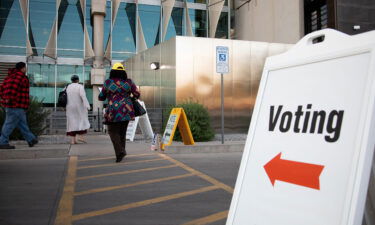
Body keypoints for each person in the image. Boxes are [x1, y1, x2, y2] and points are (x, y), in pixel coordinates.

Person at [99, 63, 140, 163]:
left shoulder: (108, 82)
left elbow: (101, 97)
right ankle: (122, 151)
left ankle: (119, 152)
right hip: (127, 109)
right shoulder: (129, 82)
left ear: (112, 72)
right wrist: (128, 97)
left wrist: (110, 95)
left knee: (112, 131)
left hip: (113, 110)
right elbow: (137, 94)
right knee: (122, 132)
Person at [0, 62, 38, 149]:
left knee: (22, 124)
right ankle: (2, 142)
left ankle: (31, 139)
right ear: (22, 68)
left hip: (15, 106)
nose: (26, 69)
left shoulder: (9, 77)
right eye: (25, 68)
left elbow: (1, 89)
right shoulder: (20, 77)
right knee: (9, 124)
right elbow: (11, 90)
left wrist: (5, 99)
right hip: (16, 105)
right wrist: (10, 100)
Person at [66, 75, 91, 144]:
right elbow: (83, 96)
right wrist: (87, 106)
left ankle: (73, 140)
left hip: (69, 107)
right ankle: (80, 136)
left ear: (71, 80)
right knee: (81, 121)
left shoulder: (67, 87)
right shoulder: (80, 86)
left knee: (71, 123)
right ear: (78, 80)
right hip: (79, 107)